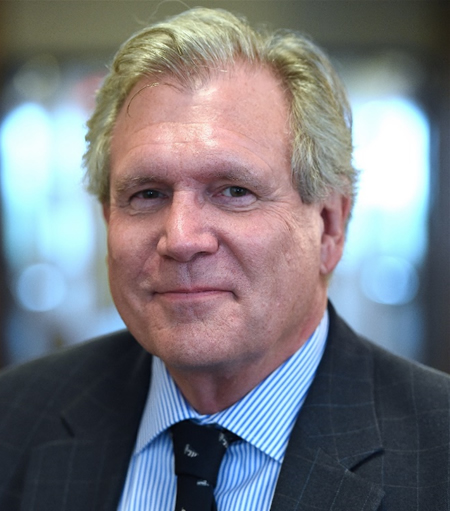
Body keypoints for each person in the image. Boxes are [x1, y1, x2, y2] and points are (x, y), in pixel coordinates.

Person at [0, 7, 449, 511]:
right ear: (108, 219)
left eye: (234, 191)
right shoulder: (15, 421)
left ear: (329, 225)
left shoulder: (438, 455)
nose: (181, 238)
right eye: (147, 194)